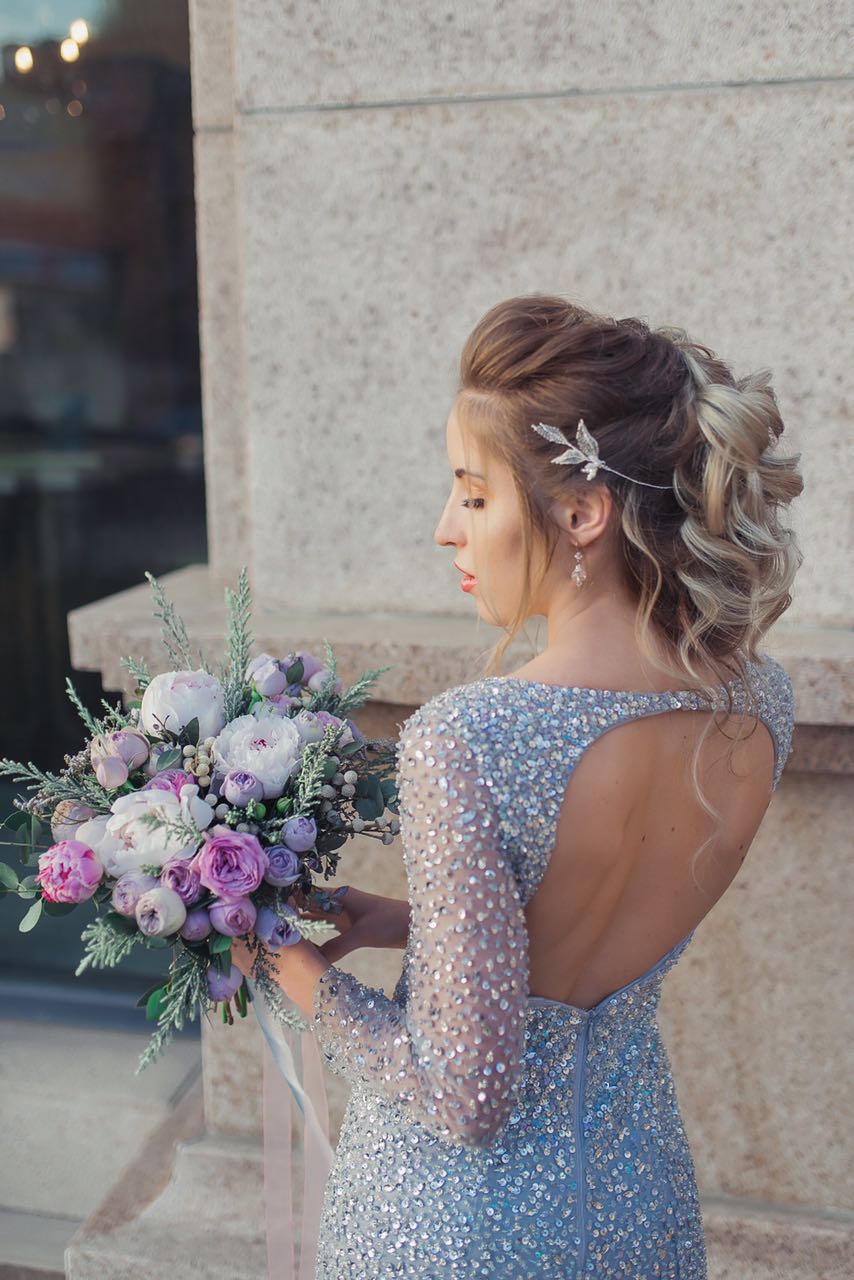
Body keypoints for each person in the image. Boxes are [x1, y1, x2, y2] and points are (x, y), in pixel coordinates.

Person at [234, 293, 803, 1278]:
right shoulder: (759, 705)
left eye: (472, 493)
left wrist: (276, 956)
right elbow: (575, 942)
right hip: (633, 1198)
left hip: (453, 1229)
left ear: (582, 512)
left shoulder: (469, 733)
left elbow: (462, 1093)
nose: (444, 528)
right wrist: (409, 920)